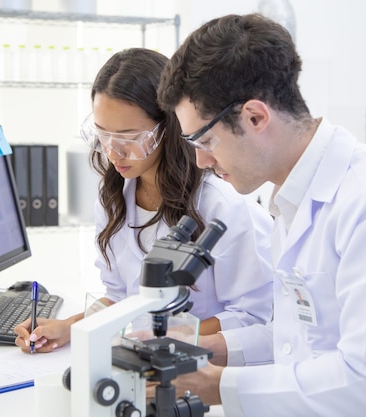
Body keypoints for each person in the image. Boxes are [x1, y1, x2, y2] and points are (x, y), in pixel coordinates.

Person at [157, 13, 366, 417]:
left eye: (205, 140)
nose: (201, 160)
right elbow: (304, 338)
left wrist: (218, 385)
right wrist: (216, 348)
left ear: (256, 117)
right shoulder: (292, 202)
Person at [14, 47, 274, 353]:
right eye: (104, 136)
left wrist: (163, 336)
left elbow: (251, 317)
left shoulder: (223, 206)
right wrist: (71, 327)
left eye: (129, 139)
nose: (113, 153)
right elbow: (120, 298)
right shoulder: (114, 198)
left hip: (202, 364)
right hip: (138, 354)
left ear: (169, 128)